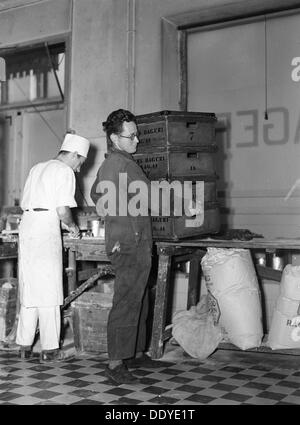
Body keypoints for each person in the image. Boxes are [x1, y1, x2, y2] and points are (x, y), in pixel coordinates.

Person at [90, 109, 165, 385]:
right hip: (132, 242)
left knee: (139, 295)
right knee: (127, 300)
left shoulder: (109, 164)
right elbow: (154, 199)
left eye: (136, 134)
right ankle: (115, 363)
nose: (137, 140)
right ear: (114, 137)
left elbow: (95, 193)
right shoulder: (125, 164)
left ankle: (133, 351)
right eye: (130, 136)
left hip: (124, 239)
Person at [16, 132, 90, 363]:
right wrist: (72, 226)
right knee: (49, 291)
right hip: (45, 229)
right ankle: (50, 350)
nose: (79, 168)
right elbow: (61, 210)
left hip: (27, 226)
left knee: (30, 289)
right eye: (80, 162)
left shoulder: (37, 167)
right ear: (75, 155)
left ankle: (24, 346)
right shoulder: (64, 171)